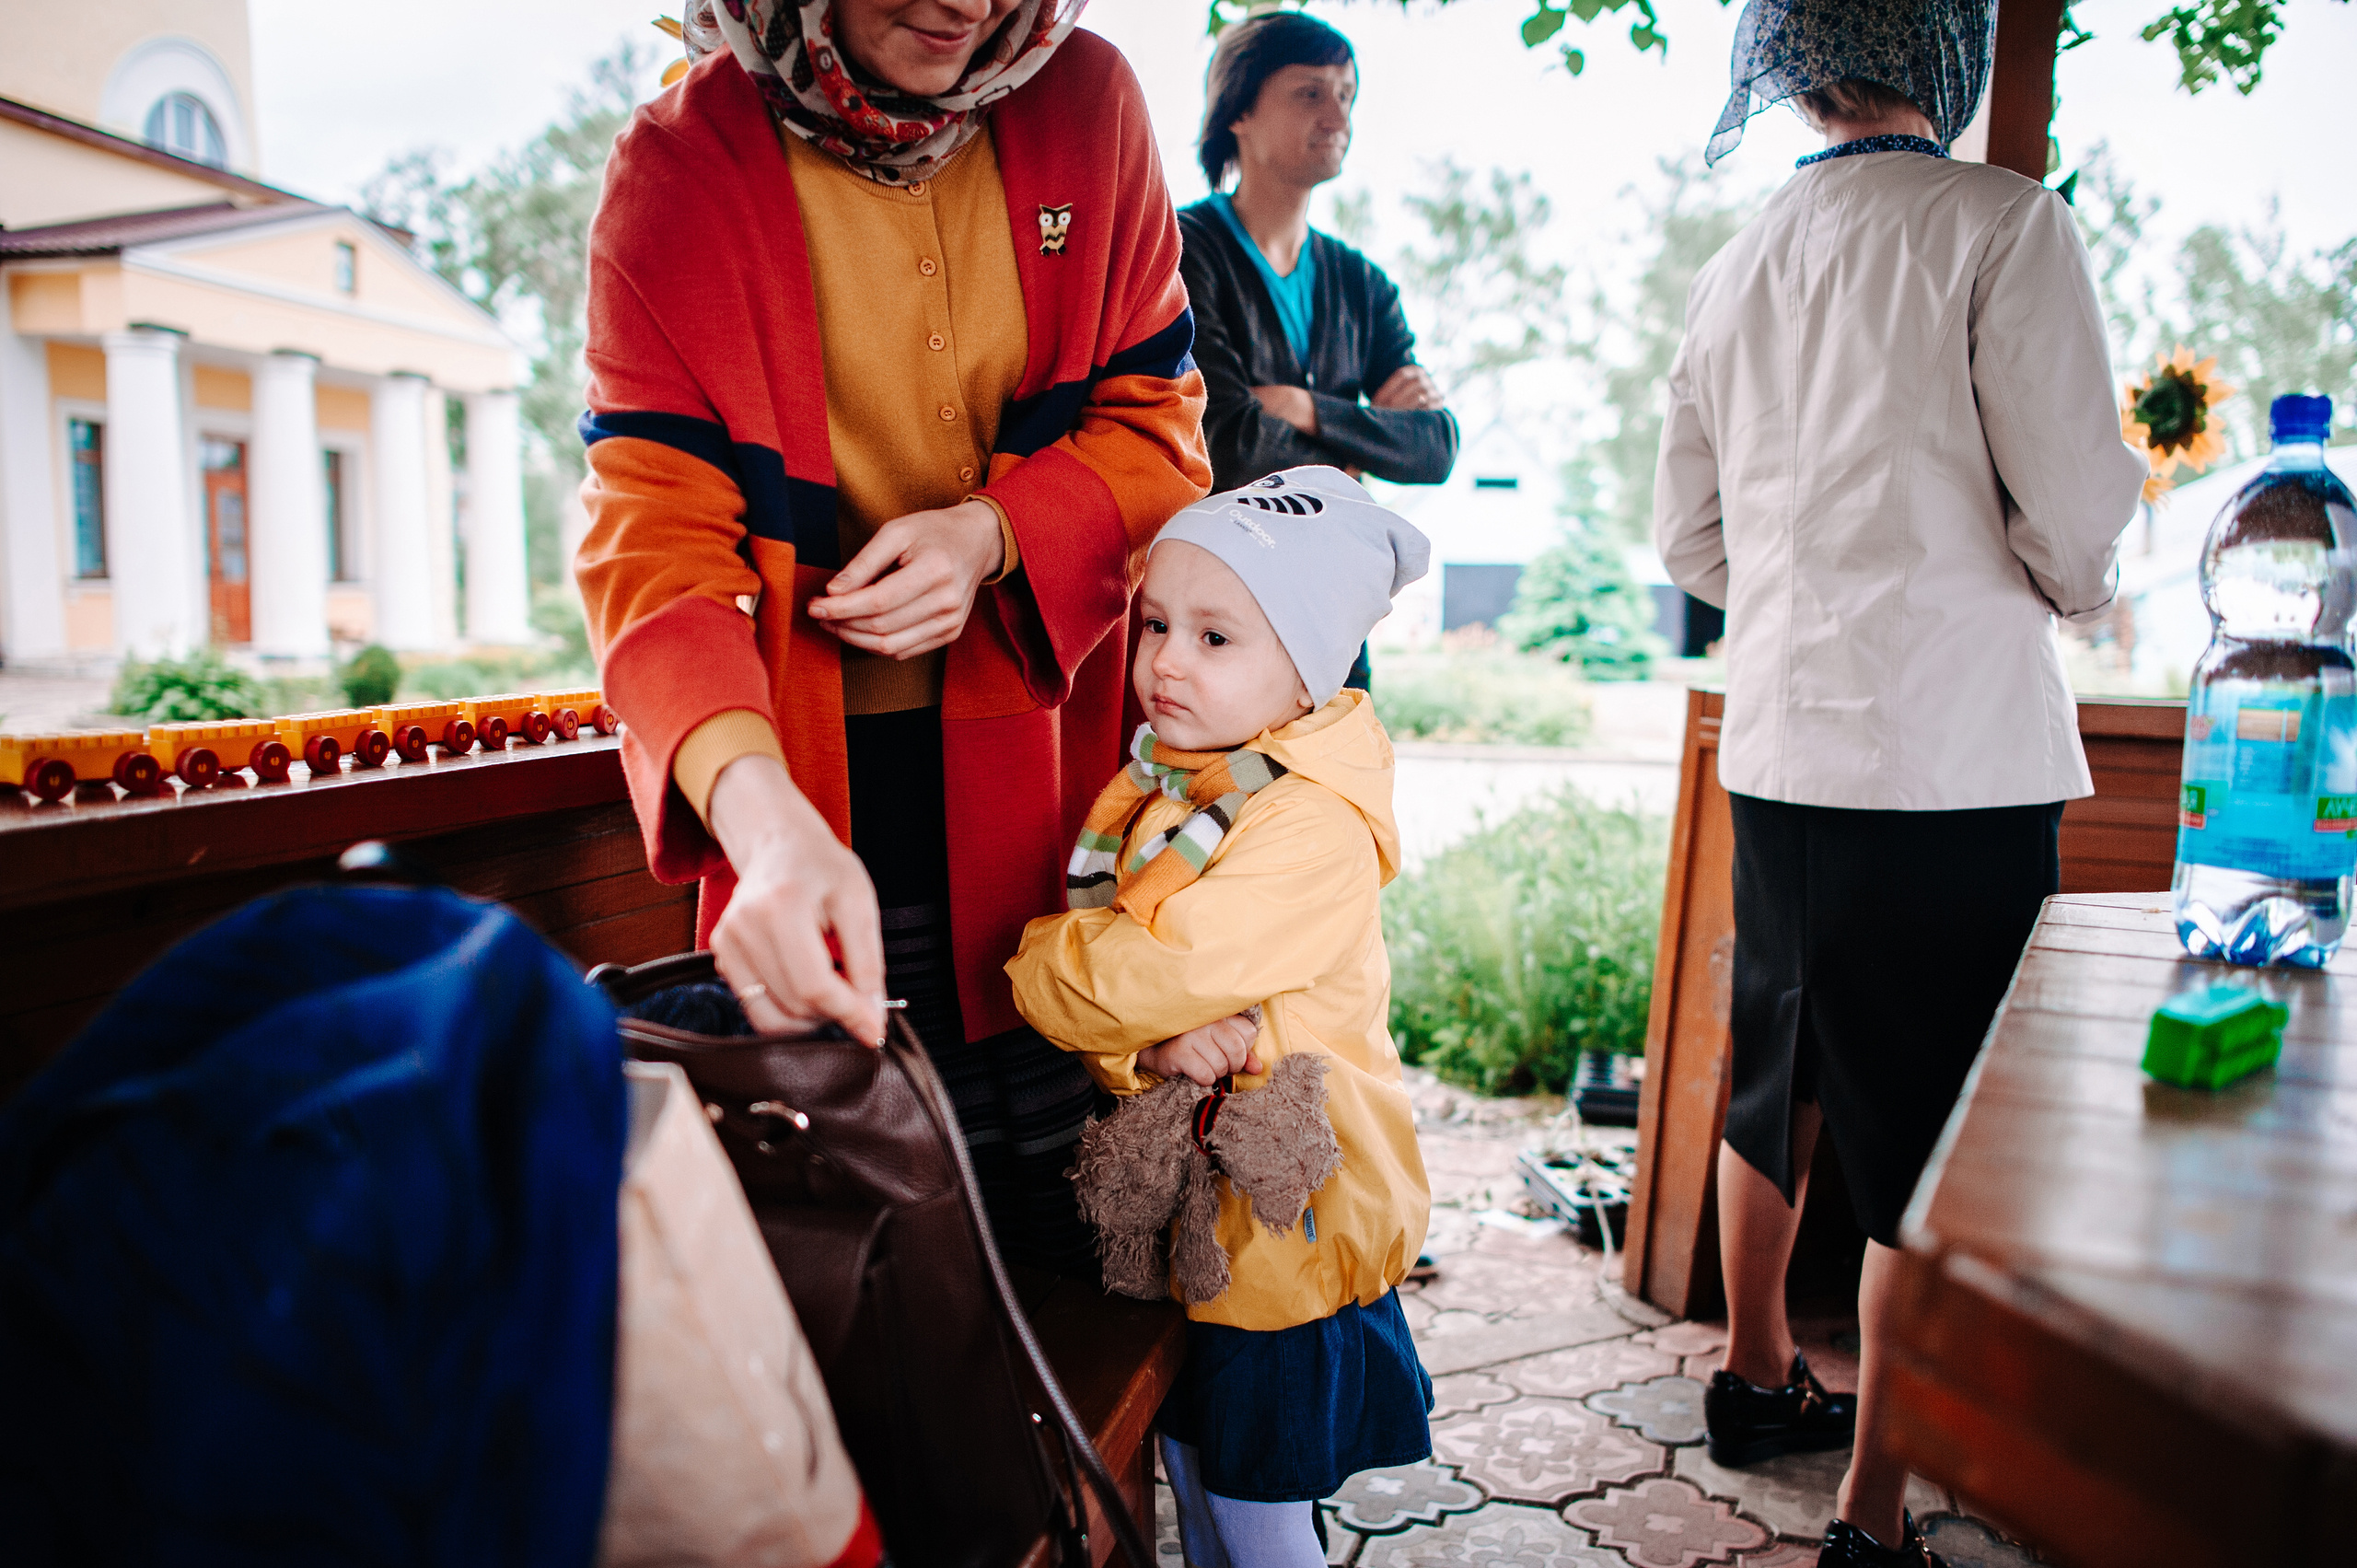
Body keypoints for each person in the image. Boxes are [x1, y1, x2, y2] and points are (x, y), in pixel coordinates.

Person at [574, 0, 1212, 1279]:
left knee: (1092, 1237)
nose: (971, 6)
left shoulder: (1090, 105)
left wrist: (994, 536)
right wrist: (766, 829)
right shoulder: (680, 170)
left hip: (1058, 805)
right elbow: (654, 548)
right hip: (810, 802)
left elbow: (1162, 430)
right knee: (873, 1270)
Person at [1655, 3, 2147, 1565]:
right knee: (1935, 1130)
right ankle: (1872, 1502)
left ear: (1794, 62)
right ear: (1941, 53)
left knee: (1775, 1064)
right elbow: (2074, 518)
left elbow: (1690, 545)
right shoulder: (2006, 222)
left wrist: (1801, 593)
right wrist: (2023, 571)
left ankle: (1750, 1377)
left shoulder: (1737, 263)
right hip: (1950, 753)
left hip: (1785, 738)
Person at [1007, 467, 1434, 1568]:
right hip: (1204, 1227)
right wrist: (1142, 1040)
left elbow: (1134, 964)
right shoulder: (1176, 786)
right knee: (1196, 1481)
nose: (1161, 663)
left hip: (1283, 1234)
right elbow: (1145, 998)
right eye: (1155, 623)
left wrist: (1049, 965)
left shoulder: (1309, 825)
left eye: (1213, 637)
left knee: (1255, 1516)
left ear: (1306, 667)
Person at [1179, 11, 1457, 691]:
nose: (1338, 115)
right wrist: (1358, 455)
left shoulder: (1361, 282)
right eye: (1310, 93)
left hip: (1335, 623)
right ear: (1238, 112)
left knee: (1337, 792)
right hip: (1216, 619)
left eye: (1347, 94)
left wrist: (1305, 407)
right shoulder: (1184, 250)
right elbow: (1226, 441)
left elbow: (1433, 446)